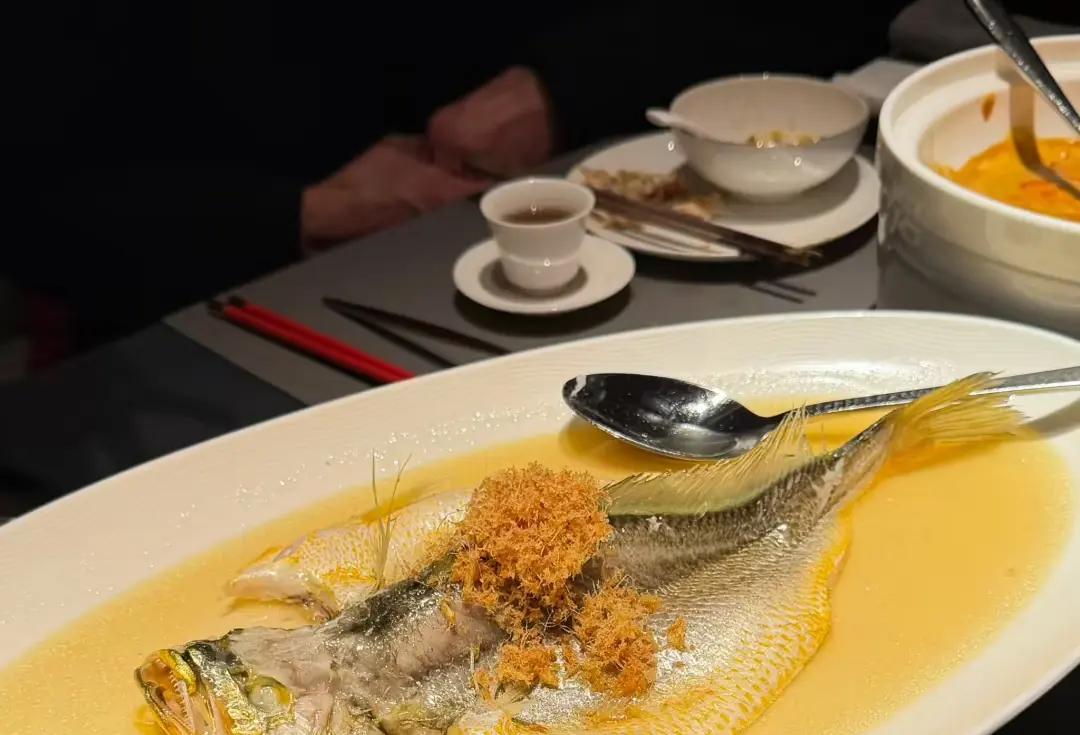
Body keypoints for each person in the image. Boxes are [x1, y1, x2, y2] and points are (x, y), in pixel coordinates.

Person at [0, 1, 909, 348]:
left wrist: (559, 85)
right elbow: (39, 208)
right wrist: (294, 210)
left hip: (590, 228)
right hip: (217, 298)